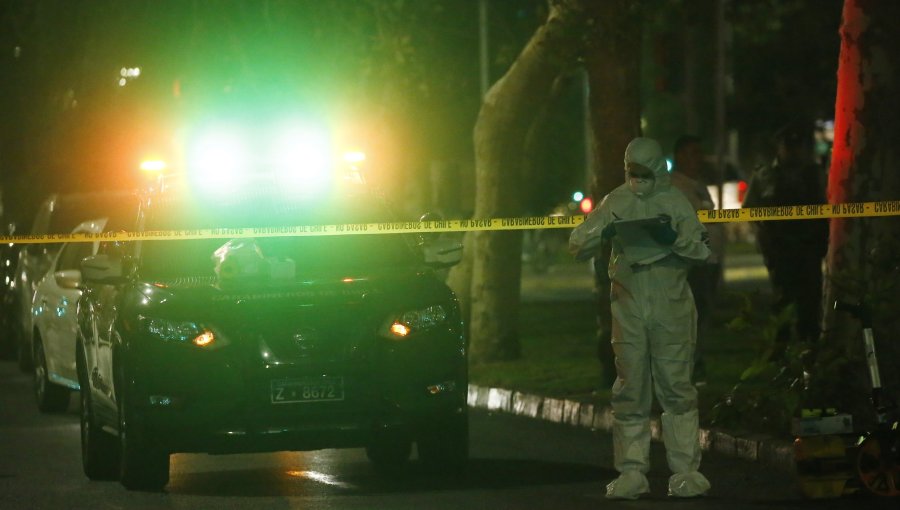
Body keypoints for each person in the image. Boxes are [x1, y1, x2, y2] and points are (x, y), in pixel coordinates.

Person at [569, 137, 711, 500]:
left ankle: (686, 472)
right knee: (630, 389)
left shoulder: (676, 202)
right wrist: (602, 232)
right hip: (628, 305)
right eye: (633, 172)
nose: (638, 179)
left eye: (645, 172)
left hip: (670, 306)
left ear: (659, 170)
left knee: (676, 388)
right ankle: (631, 472)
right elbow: (577, 243)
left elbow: (702, 250)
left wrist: (672, 238)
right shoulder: (615, 202)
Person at [742, 122, 828, 354]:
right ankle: (780, 350)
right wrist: (765, 234)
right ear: (779, 147)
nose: (793, 151)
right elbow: (749, 209)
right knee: (783, 300)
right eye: (788, 146)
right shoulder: (764, 175)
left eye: (797, 146)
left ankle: (810, 347)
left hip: (809, 248)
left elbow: (828, 207)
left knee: (810, 300)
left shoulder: (814, 174)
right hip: (779, 250)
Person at [669, 135, 724, 384]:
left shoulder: (698, 185)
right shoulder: (673, 188)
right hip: (691, 264)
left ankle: (695, 363)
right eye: (692, 153)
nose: (698, 159)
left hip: (708, 261)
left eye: (699, 153)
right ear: (679, 156)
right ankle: (687, 368)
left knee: (701, 317)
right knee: (689, 319)